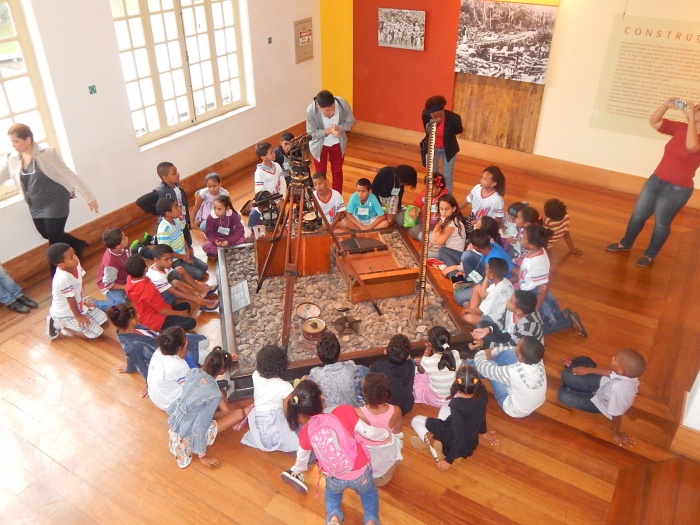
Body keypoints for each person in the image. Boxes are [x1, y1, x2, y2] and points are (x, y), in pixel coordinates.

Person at [606, 98, 700, 268]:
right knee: (638, 215)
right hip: (656, 179)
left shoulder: (693, 135)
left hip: (677, 189)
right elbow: (655, 122)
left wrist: (692, 117)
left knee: (661, 223)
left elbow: (692, 147)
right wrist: (665, 105)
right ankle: (625, 243)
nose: (694, 110)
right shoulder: (681, 128)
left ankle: (649, 255)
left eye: (698, 109)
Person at [283, 380, 387, 525]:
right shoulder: (344, 411)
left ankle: (334, 518)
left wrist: (297, 469)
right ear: (321, 397)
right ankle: (370, 521)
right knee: (369, 494)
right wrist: (385, 434)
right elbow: (368, 433)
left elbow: (302, 457)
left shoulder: (306, 431)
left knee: (332, 495)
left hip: (334, 476)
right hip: (360, 472)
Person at [1, 124, 97, 272]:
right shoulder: (12, 158)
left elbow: (68, 174)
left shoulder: (47, 154)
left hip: (56, 200)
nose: (13, 145)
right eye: (12, 142)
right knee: (46, 233)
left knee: (54, 240)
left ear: (28, 140)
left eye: (16, 141)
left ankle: (58, 273)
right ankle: (77, 244)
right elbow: (2, 175)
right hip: (35, 204)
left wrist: (88, 195)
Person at [107, 303, 210, 397]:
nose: (138, 316)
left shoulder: (136, 327)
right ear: (131, 321)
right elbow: (140, 365)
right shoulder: (131, 346)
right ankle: (193, 363)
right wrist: (149, 384)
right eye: (136, 315)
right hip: (172, 354)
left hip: (169, 340)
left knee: (205, 341)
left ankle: (194, 360)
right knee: (207, 354)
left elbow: (132, 358)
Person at [167, 349, 248, 469]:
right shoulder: (214, 394)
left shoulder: (193, 372)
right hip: (187, 438)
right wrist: (202, 456)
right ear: (222, 371)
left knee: (216, 396)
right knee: (240, 413)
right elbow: (200, 426)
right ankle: (235, 419)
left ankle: (229, 416)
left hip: (177, 427)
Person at [410, 365, 498, 471]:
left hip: (454, 444)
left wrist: (448, 460)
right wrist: (483, 432)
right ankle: (432, 439)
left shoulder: (457, 404)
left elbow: (459, 438)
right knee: (445, 406)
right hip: (469, 443)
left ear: (457, 382)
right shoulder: (482, 391)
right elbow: (481, 413)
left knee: (415, 420)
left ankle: (433, 444)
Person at [558, 350, 646, 447]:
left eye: (615, 359)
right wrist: (587, 370)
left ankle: (573, 380)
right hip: (603, 385)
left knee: (563, 396)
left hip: (601, 403)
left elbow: (617, 413)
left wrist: (616, 433)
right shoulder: (625, 374)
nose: (613, 358)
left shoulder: (620, 390)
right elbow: (610, 373)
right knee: (566, 376)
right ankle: (582, 364)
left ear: (621, 371)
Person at [518, 224, 586, 336]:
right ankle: (562, 316)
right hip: (531, 292)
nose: (521, 236)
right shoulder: (536, 251)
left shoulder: (536, 262)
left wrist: (536, 307)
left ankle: (569, 322)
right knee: (544, 316)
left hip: (535, 296)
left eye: (524, 236)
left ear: (531, 245)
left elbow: (544, 287)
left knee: (534, 330)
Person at [241, 344, 299, 453]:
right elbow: (288, 413)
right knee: (300, 437)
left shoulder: (255, 375)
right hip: (273, 427)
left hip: (259, 422)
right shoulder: (286, 387)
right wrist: (294, 426)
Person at [473, 335, 546, 418]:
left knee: (491, 364)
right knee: (509, 353)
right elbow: (512, 349)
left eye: (518, 344)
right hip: (532, 402)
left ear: (520, 357)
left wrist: (481, 353)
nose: (516, 344)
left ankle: (465, 366)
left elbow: (485, 369)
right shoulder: (537, 358)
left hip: (514, 408)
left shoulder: (514, 372)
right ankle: (472, 364)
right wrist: (493, 351)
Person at [45, 243, 107, 340]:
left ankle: (80, 312)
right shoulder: (63, 278)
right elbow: (71, 299)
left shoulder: (76, 264)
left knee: (103, 318)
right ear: (61, 264)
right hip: (65, 313)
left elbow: (80, 284)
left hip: (77, 305)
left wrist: (83, 303)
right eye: (71, 257)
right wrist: (78, 316)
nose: (76, 257)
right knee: (95, 334)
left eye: (74, 254)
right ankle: (58, 324)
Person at [124, 254, 196, 331]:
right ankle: (163, 332)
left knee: (186, 306)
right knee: (191, 322)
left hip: (146, 315)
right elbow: (162, 311)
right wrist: (181, 313)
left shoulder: (129, 279)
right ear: (146, 269)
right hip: (158, 321)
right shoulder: (148, 289)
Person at [356, 373, 403, 486]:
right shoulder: (395, 410)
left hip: (365, 450)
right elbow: (398, 430)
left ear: (364, 393)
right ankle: (383, 474)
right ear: (386, 392)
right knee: (398, 438)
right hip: (386, 449)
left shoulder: (357, 412)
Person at [306, 89, 356, 193]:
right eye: (328, 110)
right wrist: (328, 131)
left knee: (337, 172)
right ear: (319, 107)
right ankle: (321, 197)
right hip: (319, 146)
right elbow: (311, 133)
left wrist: (339, 128)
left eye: (333, 108)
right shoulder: (311, 110)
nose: (332, 113)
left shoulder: (342, 104)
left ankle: (337, 198)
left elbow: (350, 122)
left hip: (338, 144)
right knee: (320, 174)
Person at [135, 162, 194, 248]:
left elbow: (183, 205)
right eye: (174, 173)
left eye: (177, 171)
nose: (178, 174)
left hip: (182, 222)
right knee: (172, 245)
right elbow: (140, 201)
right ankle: (148, 243)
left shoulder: (178, 187)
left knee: (188, 243)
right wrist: (158, 211)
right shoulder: (160, 192)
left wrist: (187, 221)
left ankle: (152, 239)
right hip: (170, 225)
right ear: (165, 177)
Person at [146, 244, 219, 312]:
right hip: (163, 299)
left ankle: (201, 290)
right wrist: (197, 299)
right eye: (166, 259)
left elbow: (173, 276)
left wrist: (197, 282)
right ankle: (201, 302)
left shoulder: (161, 265)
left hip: (165, 285)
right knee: (176, 283)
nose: (170, 262)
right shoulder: (157, 277)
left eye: (171, 258)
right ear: (156, 260)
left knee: (179, 269)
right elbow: (176, 293)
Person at [155, 197, 209, 281]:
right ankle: (176, 274)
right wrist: (183, 257)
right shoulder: (164, 230)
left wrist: (188, 252)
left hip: (184, 254)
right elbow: (166, 252)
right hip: (174, 260)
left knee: (205, 267)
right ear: (168, 213)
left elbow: (182, 237)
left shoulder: (177, 220)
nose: (179, 208)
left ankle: (183, 270)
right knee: (199, 274)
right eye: (176, 207)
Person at [469, 290, 543, 350]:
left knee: (486, 340)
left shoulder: (527, 327)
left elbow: (512, 346)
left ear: (518, 311)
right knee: (482, 325)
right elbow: (502, 321)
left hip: (521, 348)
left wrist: (485, 344)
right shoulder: (513, 309)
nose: (507, 300)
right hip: (510, 334)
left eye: (510, 301)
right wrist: (488, 330)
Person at [308, 331, 363, 409]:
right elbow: (358, 389)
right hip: (354, 409)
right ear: (339, 352)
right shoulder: (351, 365)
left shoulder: (315, 373)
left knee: (304, 379)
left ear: (318, 355)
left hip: (331, 413)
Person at [421, 95, 463, 193]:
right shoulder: (425, 115)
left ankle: (447, 198)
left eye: (441, 115)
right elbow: (427, 130)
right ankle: (432, 194)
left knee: (447, 175)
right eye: (435, 116)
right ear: (430, 114)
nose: (439, 118)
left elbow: (458, 130)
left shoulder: (454, 118)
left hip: (448, 149)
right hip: (432, 147)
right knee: (431, 174)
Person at [413, 326, 461, 408]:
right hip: (454, 397)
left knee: (419, 377)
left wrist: (427, 351)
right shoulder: (456, 354)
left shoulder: (428, 361)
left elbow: (420, 371)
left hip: (435, 400)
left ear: (431, 344)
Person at [147, 326, 194, 411]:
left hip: (156, 397)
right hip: (171, 405)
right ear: (179, 348)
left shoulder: (159, 350)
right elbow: (191, 387)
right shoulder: (180, 365)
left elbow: (179, 360)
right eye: (185, 339)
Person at [369, 334, 416, 415]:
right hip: (406, 406)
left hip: (387, 410)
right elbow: (409, 360)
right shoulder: (411, 364)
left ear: (386, 351)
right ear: (407, 355)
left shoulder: (376, 367)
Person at [461, 257, 514, 326]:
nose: (485, 270)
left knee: (468, 318)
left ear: (491, 274)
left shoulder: (495, 293)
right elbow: (483, 294)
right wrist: (488, 275)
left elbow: (480, 311)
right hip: (494, 308)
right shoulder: (505, 281)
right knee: (477, 288)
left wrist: (467, 311)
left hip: (495, 320)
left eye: (487, 269)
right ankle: (472, 310)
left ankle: (475, 316)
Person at [396, 172, 448, 240]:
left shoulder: (445, 200)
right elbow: (416, 203)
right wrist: (413, 208)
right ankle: (413, 230)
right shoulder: (424, 193)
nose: (428, 191)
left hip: (433, 225)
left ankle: (426, 235)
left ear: (439, 189)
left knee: (414, 231)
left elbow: (445, 219)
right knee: (399, 217)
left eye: (432, 189)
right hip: (420, 218)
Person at [93, 228, 130, 312]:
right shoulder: (110, 263)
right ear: (118, 246)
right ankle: (94, 303)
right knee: (121, 304)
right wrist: (126, 287)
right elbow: (108, 284)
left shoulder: (124, 246)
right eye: (124, 238)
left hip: (124, 278)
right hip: (111, 286)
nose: (127, 238)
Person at [459, 165, 506, 231]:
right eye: (482, 177)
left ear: (493, 184)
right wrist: (454, 209)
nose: (481, 180)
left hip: (484, 227)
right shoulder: (477, 188)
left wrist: (481, 224)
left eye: (485, 179)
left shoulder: (497, 200)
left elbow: (498, 218)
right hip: (472, 218)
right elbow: (466, 201)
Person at [428, 195, 466, 261]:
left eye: (447, 209)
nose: (443, 212)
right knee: (425, 237)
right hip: (444, 247)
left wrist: (435, 238)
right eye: (441, 209)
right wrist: (435, 238)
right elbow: (435, 231)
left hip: (452, 253)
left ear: (454, 209)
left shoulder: (452, 224)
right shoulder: (445, 217)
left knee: (423, 254)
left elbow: (440, 242)